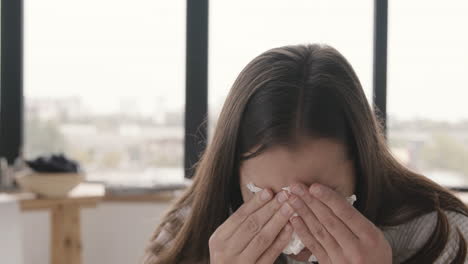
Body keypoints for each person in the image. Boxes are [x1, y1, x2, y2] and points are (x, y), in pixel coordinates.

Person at [143, 44, 468, 264]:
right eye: (265, 197)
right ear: (231, 172)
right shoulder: (186, 233)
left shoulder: (446, 235)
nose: (296, 223)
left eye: (322, 198)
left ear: (363, 167)